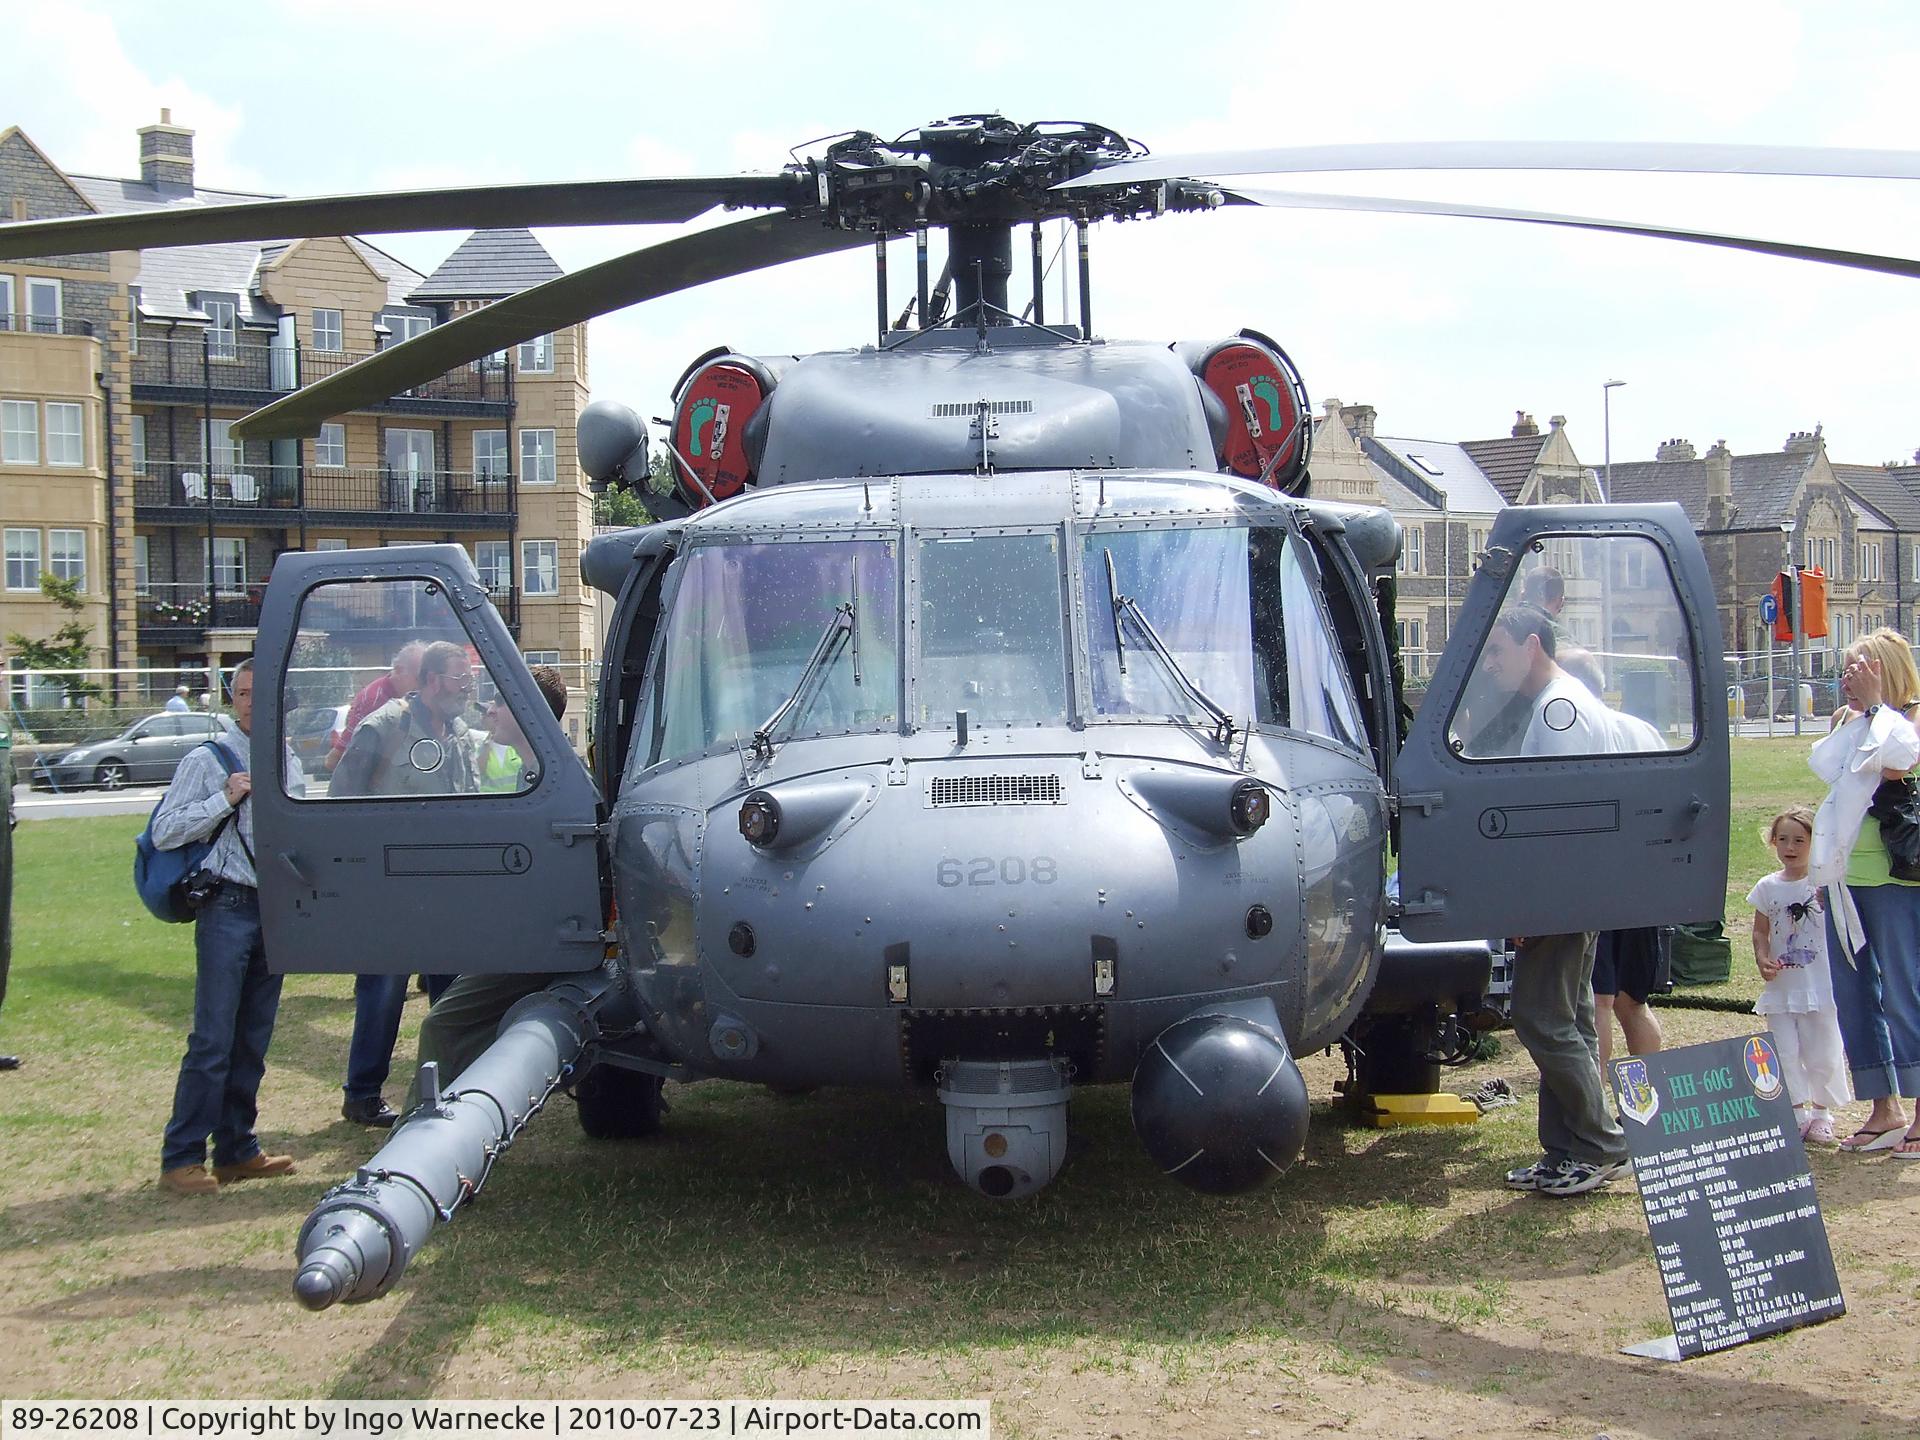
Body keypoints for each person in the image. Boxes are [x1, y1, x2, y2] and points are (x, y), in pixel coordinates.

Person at [1481, 606, 1634, 1196]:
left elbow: (1557, 822)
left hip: (1563, 894)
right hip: (1577, 890)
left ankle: (1599, 1143)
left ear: (1533, 645)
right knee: (1568, 1019)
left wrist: (1530, 907)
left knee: (1539, 1017)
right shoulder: (1558, 704)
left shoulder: (1559, 713)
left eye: (1499, 650)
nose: (1491, 662)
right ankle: (1567, 1149)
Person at [152, 658, 301, 1194]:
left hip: (272, 908)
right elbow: (166, 830)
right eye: (241, 693)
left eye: (260, 694)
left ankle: (237, 1149)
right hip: (227, 907)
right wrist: (225, 797)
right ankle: (181, 1156)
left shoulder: (285, 755)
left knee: (253, 1036)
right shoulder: (206, 758)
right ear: (230, 698)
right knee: (213, 1036)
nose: (250, 702)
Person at [401, 665, 573, 1114]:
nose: (490, 711)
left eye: (500, 702)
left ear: (528, 710)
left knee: (443, 1024)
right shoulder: (540, 775)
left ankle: (422, 1129)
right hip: (529, 937)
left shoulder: (555, 784)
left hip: (537, 943)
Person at [330, 640, 480, 1124]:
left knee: (451, 994)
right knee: (383, 992)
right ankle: (362, 1095)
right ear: (433, 680)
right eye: (461, 678)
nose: (468, 687)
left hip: (445, 888)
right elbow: (341, 800)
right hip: (388, 887)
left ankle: (450, 1088)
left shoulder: (458, 731)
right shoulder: (382, 727)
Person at [1808, 629, 1920, 1154]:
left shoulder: (1909, 721)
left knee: (1904, 993)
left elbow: (1898, 763)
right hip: (1845, 879)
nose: (1847, 682)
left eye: (1859, 671)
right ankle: (1882, 1105)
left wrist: (1878, 708)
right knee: (1853, 995)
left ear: (1886, 672)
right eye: (1845, 672)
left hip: (1899, 882)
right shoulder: (1848, 722)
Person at [1748, 806, 1851, 1145]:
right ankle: (1795, 1112)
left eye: (1798, 840)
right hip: (1782, 988)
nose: (1789, 848)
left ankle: (1822, 1114)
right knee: (1785, 1051)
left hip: (1820, 985)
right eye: (1782, 840)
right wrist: (1763, 959)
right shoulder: (1767, 887)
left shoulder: (1825, 883)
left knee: (1823, 1050)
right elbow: (1761, 931)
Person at [327, 641, 425, 774]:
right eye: (419, 678)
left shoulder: (408, 699)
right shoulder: (376, 702)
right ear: (398, 670)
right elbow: (337, 760)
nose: (424, 685)